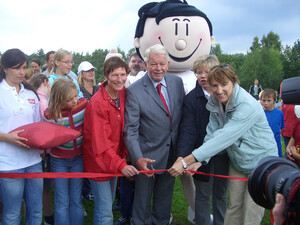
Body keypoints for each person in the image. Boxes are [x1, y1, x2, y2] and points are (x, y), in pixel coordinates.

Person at [169, 64, 278, 225]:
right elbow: (213, 132)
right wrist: (200, 161)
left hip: (260, 164)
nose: (219, 90)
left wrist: (186, 161)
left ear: (234, 82)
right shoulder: (215, 100)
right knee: (234, 206)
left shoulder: (247, 105)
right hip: (238, 162)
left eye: (224, 84)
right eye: (215, 85)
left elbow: (224, 137)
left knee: (251, 212)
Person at [124, 44, 185, 225]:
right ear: (145, 64)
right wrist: (138, 158)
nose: (158, 68)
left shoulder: (176, 83)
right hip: (147, 158)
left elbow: (179, 119)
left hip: (172, 155)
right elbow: (131, 130)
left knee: (164, 203)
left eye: (162, 64)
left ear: (168, 64)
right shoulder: (134, 91)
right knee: (142, 204)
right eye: (153, 64)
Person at [83, 56, 139, 225]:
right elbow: (100, 145)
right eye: (115, 75)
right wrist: (122, 165)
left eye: (123, 75)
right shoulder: (98, 103)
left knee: (106, 206)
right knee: (104, 210)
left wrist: (124, 159)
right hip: (99, 163)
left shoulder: (122, 94)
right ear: (106, 76)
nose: (120, 79)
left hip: (114, 160)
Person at [176, 54, 229, 225]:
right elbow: (188, 130)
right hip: (201, 155)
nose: (202, 76)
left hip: (224, 154)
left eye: (206, 71)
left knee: (221, 194)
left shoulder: (225, 96)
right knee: (203, 195)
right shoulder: (191, 99)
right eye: (198, 72)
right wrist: (184, 156)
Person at [0, 48, 43, 225]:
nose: (21, 72)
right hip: (9, 164)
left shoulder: (30, 94)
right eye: (17, 68)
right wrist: (6, 137)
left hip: (33, 161)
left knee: (36, 211)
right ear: (4, 68)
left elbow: (38, 125)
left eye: (24, 67)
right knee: (12, 213)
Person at [43, 78, 87, 225]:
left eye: (75, 96)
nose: (75, 100)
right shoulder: (50, 115)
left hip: (78, 159)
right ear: (58, 99)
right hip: (58, 161)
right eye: (69, 99)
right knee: (62, 201)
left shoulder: (83, 105)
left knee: (76, 199)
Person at [29, 73, 54, 225]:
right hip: (42, 153)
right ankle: (47, 218)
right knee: (42, 189)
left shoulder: (34, 99)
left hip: (37, 151)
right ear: (45, 82)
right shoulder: (42, 102)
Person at [260, 89, 285, 157]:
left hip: (276, 144)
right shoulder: (259, 114)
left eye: (269, 100)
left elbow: (280, 129)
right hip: (262, 145)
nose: (266, 103)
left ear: (274, 101)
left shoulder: (280, 113)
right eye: (264, 100)